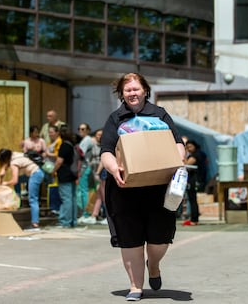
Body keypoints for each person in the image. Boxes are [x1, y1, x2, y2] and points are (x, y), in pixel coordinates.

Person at [100, 72, 185, 301]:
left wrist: (178, 162)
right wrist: (114, 169)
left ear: (145, 90)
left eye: (136, 89)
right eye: (127, 90)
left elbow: (178, 143)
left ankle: (154, 264)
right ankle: (135, 286)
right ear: (122, 94)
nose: (132, 93)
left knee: (159, 238)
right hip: (125, 188)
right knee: (130, 238)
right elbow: (106, 151)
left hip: (158, 188)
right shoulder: (116, 119)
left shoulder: (160, 115)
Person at [0, 148, 45, 231]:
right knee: (19, 181)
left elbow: (14, 181)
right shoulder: (15, 154)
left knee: (33, 199)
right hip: (36, 173)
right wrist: (2, 174)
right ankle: (18, 197)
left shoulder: (14, 163)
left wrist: (5, 183)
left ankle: (35, 224)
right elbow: (5, 170)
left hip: (35, 175)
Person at [80, 128, 107, 225]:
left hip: (102, 172)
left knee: (104, 196)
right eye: (97, 135)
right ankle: (94, 215)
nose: (99, 136)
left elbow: (102, 161)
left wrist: (97, 172)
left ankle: (107, 217)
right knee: (99, 195)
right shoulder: (93, 144)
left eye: (101, 135)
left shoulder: (106, 145)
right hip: (96, 171)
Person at [52, 127, 78, 228]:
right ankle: (73, 221)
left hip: (64, 174)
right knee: (72, 198)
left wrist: (53, 171)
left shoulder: (64, 145)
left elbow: (59, 161)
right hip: (72, 174)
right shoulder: (71, 145)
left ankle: (65, 221)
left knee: (66, 199)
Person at [182, 140, 203, 226]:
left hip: (193, 179)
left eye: (190, 147)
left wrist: (185, 154)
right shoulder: (197, 154)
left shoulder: (195, 155)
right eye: (187, 147)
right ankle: (194, 218)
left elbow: (186, 164)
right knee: (192, 199)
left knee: (192, 199)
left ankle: (194, 219)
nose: (189, 149)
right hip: (194, 179)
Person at [76, 122, 94, 222]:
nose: (80, 131)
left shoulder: (87, 140)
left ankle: (86, 213)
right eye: (79, 129)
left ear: (88, 130)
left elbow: (80, 153)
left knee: (83, 191)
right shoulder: (85, 140)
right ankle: (85, 212)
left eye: (83, 129)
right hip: (85, 167)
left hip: (84, 167)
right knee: (83, 190)